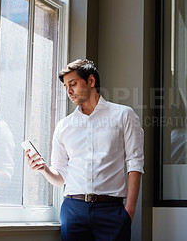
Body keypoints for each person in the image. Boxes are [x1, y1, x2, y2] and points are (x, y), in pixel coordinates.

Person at [25, 59, 144, 241]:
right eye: (66, 87)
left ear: (91, 81)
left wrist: (129, 212)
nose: (69, 91)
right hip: (73, 210)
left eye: (73, 84)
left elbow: (135, 163)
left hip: (112, 211)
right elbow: (60, 178)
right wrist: (44, 169)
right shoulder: (64, 126)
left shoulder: (123, 115)